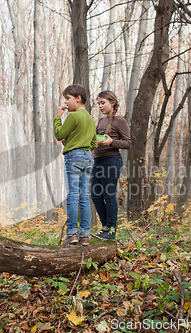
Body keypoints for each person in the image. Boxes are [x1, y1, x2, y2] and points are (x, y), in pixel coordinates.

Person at [53, 84, 98, 246]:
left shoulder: (72, 116)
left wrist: (58, 116)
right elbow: (93, 143)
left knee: (73, 195)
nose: (66, 102)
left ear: (78, 98)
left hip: (74, 157)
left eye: (68, 98)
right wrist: (74, 141)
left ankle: (72, 233)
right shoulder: (89, 118)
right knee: (84, 196)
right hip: (87, 157)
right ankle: (85, 235)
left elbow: (59, 134)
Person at [91, 91, 131, 240]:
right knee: (96, 196)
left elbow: (127, 143)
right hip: (98, 160)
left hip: (112, 160)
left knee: (108, 195)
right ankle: (106, 228)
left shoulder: (120, 121)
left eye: (103, 102)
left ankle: (111, 231)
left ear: (112, 103)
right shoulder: (101, 121)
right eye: (99, 103)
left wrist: (111, 142)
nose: (100, 106)